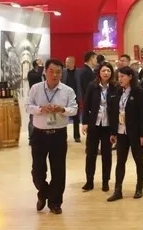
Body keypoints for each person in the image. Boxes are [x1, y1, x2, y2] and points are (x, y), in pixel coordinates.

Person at [26, 59, 78, 214]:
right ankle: (43, 192)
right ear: (45, 72)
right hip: (39, 135)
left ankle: (55, 202)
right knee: (37, 170)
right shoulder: (36, 89)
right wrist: (40, 109)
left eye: (58, 72)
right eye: (51, 71)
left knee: (58, 170)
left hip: (59, 135)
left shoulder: (67, 91)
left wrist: (63, 109)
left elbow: (74, 109)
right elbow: (27, 107)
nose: (54, 75)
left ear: (62, 74)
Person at [107, 66, 143, 201]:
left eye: (122, 76)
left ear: (130, 77)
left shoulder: (139, 92)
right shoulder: (117, 92)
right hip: (121, 131)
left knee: (138, 159)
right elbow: (114, 113)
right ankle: (117, 190)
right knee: (120, 161)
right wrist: (113, 132)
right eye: (119, 76)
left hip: (135, 132)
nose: (120, 79)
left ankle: (139, 187)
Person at [82, 62, 116, 192]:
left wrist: (115, 129)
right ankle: (89, 181)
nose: (106, 73)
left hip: (108, 126)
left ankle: (105, 181)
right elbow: (86, 105)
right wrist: (85, 122)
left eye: (108, 71)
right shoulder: (93, 86)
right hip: (94, 124)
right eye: (103, 71)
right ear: (99, 73)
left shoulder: (115, 87)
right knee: (91, 154)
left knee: (107, 155)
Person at [75, 51, 97, 144]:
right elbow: (87, 90)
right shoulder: (86, 72)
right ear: (91, 58)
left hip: (89, 101)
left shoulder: (88, 71)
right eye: (95, 58)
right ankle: (91, 146)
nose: (96, 61)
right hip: (89, 102)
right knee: (90, 125)